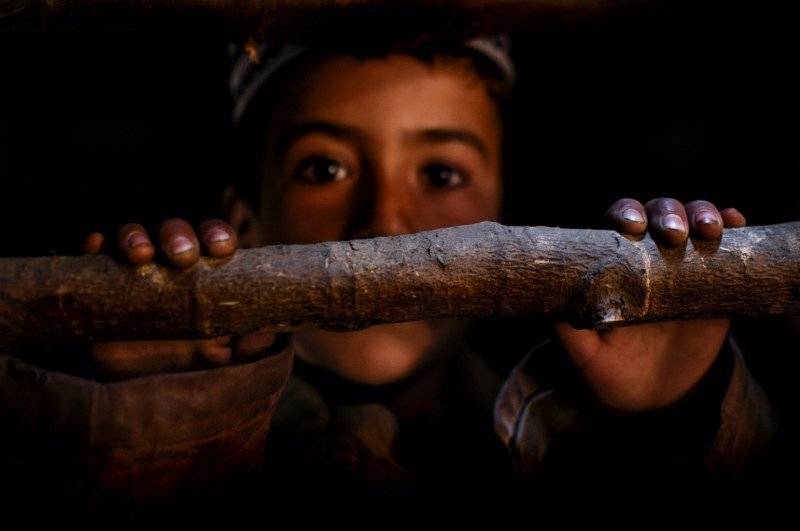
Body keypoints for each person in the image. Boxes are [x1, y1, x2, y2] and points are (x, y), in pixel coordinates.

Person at [0, 34, 780, 512]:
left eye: (441, 174)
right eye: (325, 168)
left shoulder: (566, 448)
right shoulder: (144, 423)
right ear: (244, 219)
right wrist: (151, 420)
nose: (384, 220)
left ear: (503, 213)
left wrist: (676, 414)